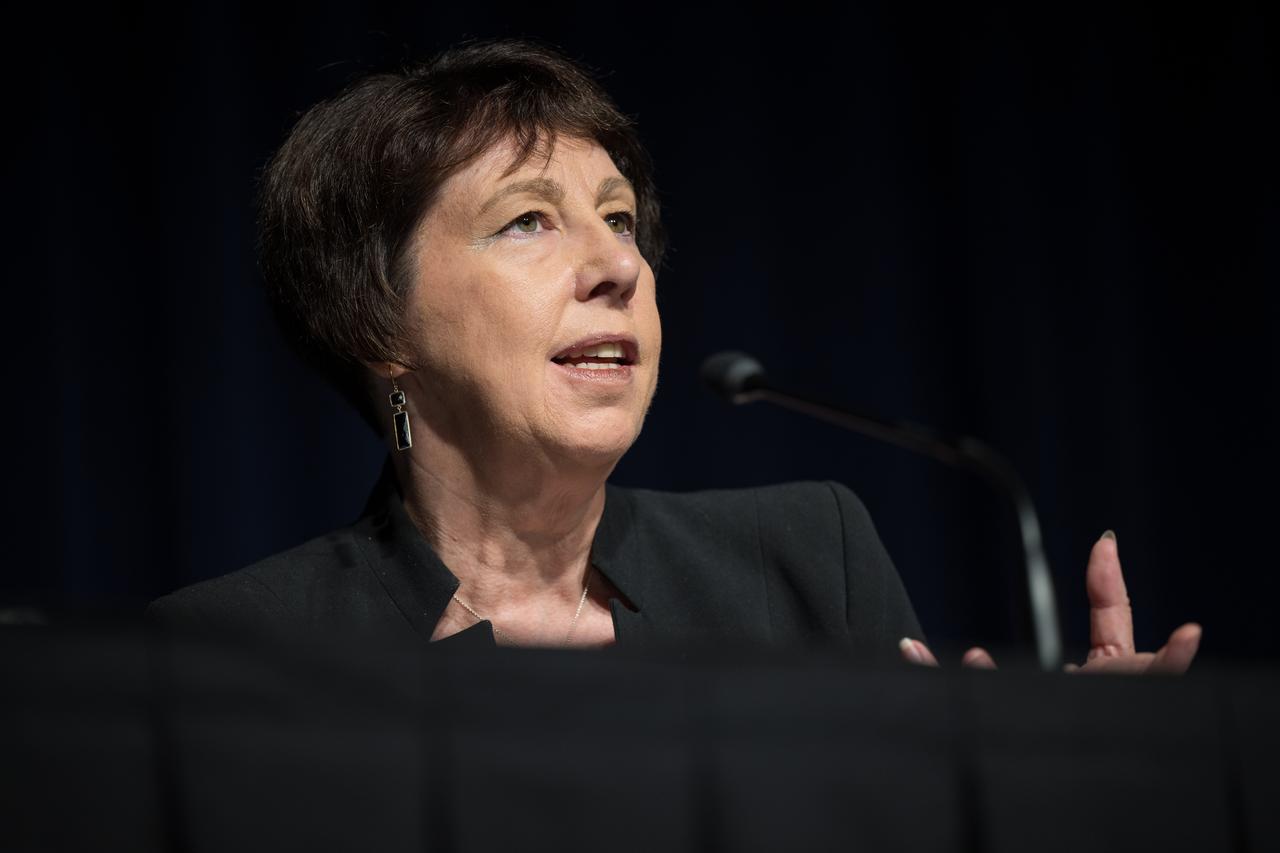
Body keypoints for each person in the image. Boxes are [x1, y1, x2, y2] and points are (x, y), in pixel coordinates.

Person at [149, 39, 1200, 672]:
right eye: (527, 222)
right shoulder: (233, 653)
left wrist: (1053, 792)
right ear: (376, 321)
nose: (618, 266)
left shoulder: (803, 559)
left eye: (621, 221)